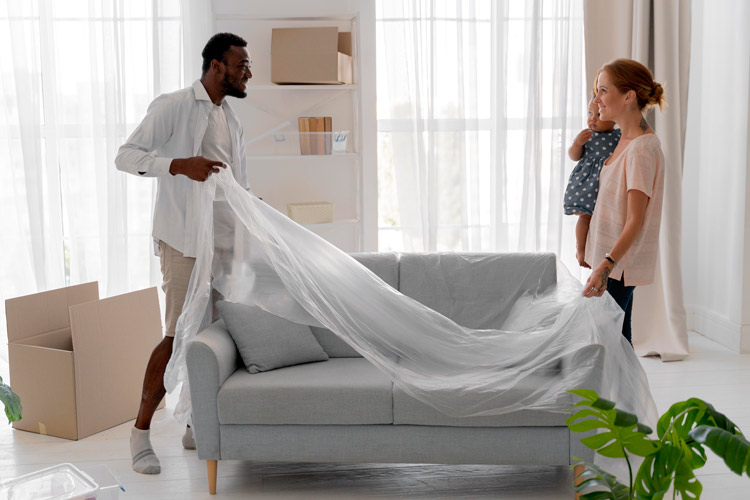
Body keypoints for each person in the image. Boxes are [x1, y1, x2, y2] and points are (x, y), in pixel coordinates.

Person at [114, 32, 252, 474]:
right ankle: (139, 435)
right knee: (176, 338)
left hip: (225, 246)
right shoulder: (173, 105)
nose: (248, 71)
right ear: (216, 66)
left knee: (213, 338)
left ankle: (195, 422)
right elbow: (125, 156)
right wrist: (178, 165)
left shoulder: (232, 121)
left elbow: (238, 190)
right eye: (241, 64)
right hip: (184, 243)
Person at [581, 58, 666, 345]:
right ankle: (627, 392)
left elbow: (635, 220)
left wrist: (605, 266)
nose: (597, 99)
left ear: (629, 96)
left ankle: (622, 392)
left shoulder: (641, 149)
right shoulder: (623, 139)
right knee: (616, 341)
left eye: (603, 91)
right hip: (610, 262)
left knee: (608, 343)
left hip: (617, 267)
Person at [564, 99, 621, 268]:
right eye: (590, 113)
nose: (592, 118)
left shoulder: (619, 136)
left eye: (598, 114)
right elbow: (574, 156)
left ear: (614, 118)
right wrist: (577, 144)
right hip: (588, 184)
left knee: (606, 220)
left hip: (607, 182)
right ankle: (580, 249)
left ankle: (605, 252)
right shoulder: (586, 135)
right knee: (585, 217)